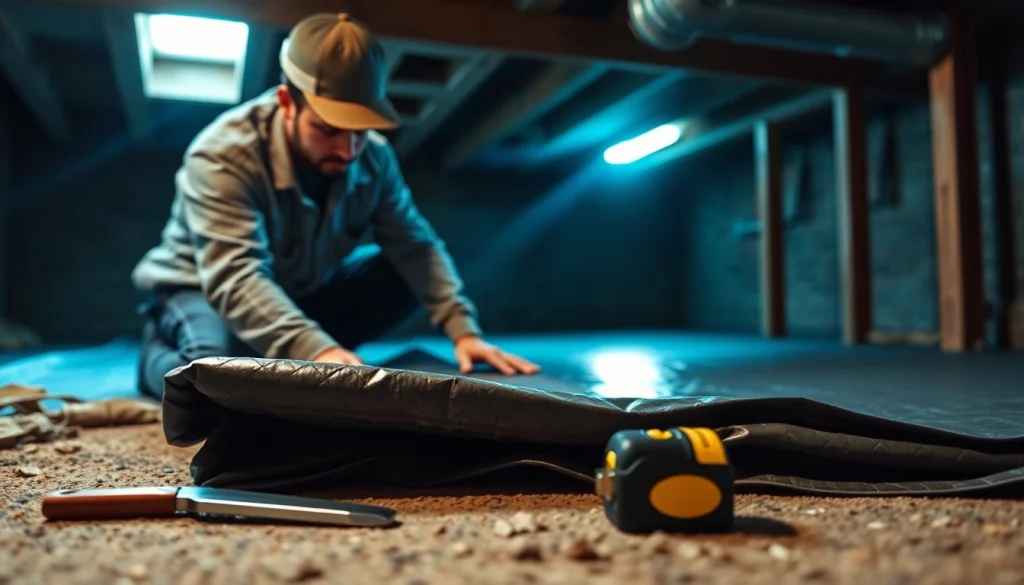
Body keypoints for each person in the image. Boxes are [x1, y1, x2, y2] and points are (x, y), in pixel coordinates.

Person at [131, 12, 539, 398]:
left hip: (299, 293)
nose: (347, 150)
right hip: (202, 288)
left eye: (360, 131)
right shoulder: (223, 155)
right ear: (287, 102)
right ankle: (160, 352)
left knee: (399, 268)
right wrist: (318, 351)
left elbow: (416, 246)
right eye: (328, 130)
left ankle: (290, 349)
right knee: (211, 374)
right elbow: (236, 278)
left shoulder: (373, 157)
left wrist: (463, 331)